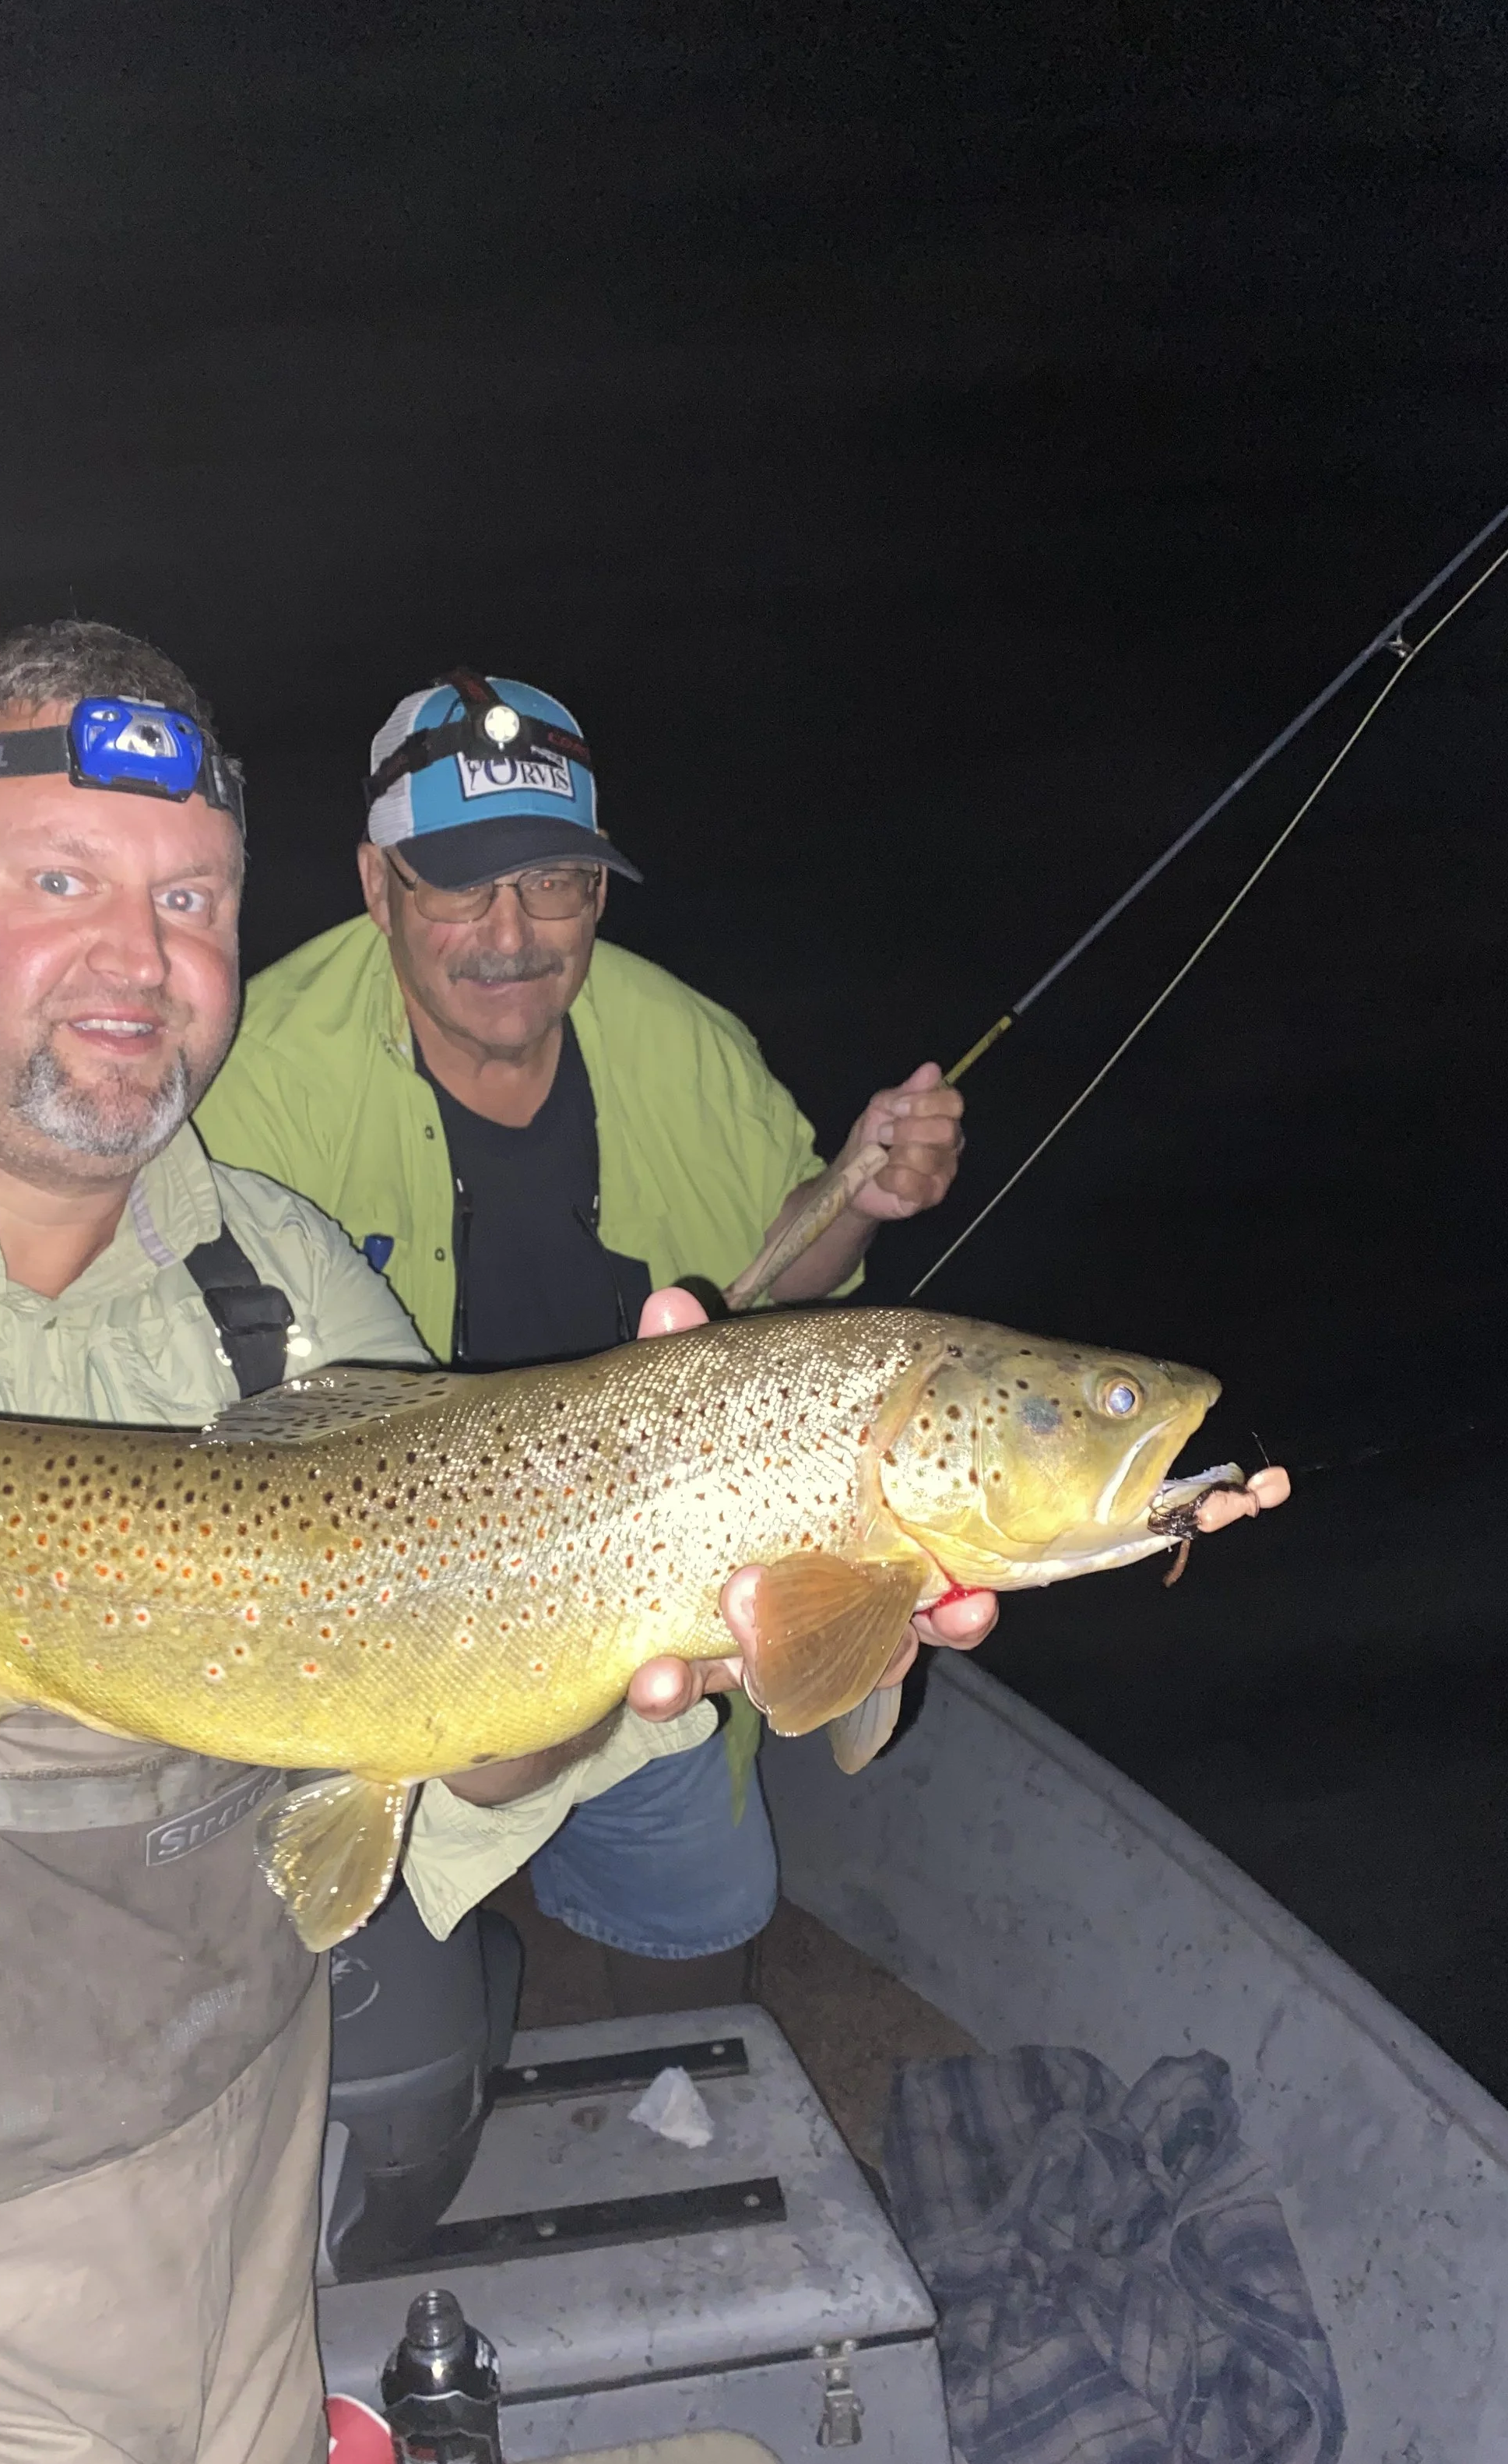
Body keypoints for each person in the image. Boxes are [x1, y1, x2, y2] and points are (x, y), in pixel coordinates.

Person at [0, 621, 966, 2464]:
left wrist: (605, 1644)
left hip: (243, 2357)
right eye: (60, 879)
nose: (139, 956)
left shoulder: (281, 1293)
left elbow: (451, 1774)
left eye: (188, 897)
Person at [194, 668, 974, 2008]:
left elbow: (787, 1283)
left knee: (709, 1921)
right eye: (458, 885)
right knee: (330, 1976)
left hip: (625, 1610)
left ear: (598, 894)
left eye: (552, 884)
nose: (511, 935)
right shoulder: (253, 1079)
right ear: (378, 886)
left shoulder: (683, 1046)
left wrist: (861, 1195)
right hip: (351, 1613)